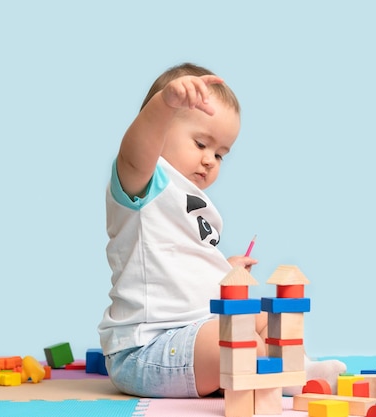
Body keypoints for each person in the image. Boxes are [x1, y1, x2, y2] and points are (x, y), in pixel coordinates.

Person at [98, 63, 345, 399]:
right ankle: (278, 374)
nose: (210, 160)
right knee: (240, 342)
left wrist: (223, 270)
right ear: (159, 131)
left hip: (194, 332)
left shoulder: (192, 203)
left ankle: (300, 369)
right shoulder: (144, 184)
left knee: (259, 317)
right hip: (147, 349)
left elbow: (182, 266)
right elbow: (133, 154)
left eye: (219, 154)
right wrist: (163, 104)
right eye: (201, 143)